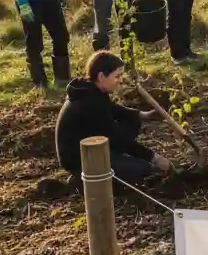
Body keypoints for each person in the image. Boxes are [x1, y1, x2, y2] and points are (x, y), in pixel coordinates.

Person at [55, 51, 174, 182]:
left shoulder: (90, 91)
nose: (120, 80)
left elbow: (114, 109)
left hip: (93, 149)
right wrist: (154, 158)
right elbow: (118, 140)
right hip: (79, 159)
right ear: (101, 76)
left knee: (132, 122)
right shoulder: (90, 104)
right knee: (146, 173)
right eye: (117, 76)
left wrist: (143, 115)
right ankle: (82, 177)